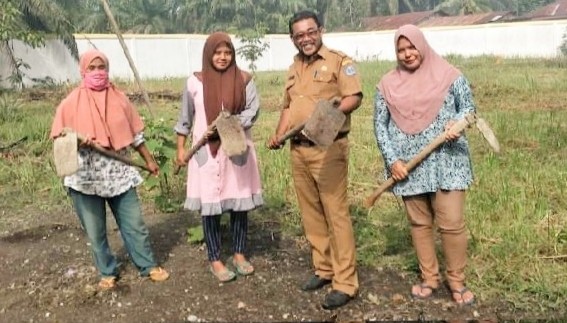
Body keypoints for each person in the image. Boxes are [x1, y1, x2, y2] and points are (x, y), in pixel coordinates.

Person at [373, 24, 476, 305]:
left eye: (411, 47)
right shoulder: (386, 85)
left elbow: (469, 108)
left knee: (452, 223)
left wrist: (458, 123)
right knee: (419, 223)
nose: (407, 54)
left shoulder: (451, 76)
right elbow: (380, 126)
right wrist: (392, 160)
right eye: (401, 49)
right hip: (408, 167)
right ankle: (429, 278)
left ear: (423, 45)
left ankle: (456, 281)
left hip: (447, 160)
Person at [50, 49, 169, 290]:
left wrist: (149, 160)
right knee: (95, 232)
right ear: (83, 71)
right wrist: (75, 141)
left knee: (134, 223)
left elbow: (136, 135)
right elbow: (60, 140)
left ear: (107, 69)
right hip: (85, 178)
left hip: (119, 173)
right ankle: (107, 271)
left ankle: (147, 265)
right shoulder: (70, 103)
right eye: (91, 68)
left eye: (101, 67)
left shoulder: (119, 99)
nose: (97, 73)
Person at [267, 10, 362, 310]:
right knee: (311, 213)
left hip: (328, 148)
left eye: (310, 32)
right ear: (292, 38)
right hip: (298, 149)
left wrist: (329, 115)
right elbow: (287, 106)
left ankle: (345, 282)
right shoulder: (294, 66)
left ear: (320, 30)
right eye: (299, 35)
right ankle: (324, 269)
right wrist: (278, 134)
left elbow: (354, 96)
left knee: (336, 214)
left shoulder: (339, 61)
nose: (306, 39)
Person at [174, 32, 263, 283]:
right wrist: (181, 149)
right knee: (210, 207)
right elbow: (184, 119)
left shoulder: (244, 79)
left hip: (236, 149)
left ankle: (239, 254)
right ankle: (215, 258)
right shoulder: (194, 83)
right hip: (206, 153)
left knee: (239, 205)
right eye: (218, 52)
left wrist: (229, 122)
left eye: (228, 53)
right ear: (208, 54)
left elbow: (253, 112)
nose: (223, 57)